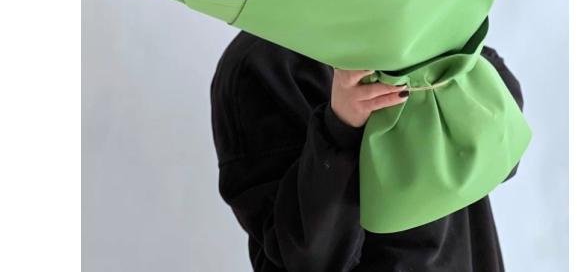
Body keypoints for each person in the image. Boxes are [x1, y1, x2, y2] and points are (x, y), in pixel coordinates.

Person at [211, 30, 523, 272]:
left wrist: (456, 46)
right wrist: (340, 126)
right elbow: (307, 258)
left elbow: (505, 153)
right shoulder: (259, 67)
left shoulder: (413, 19)